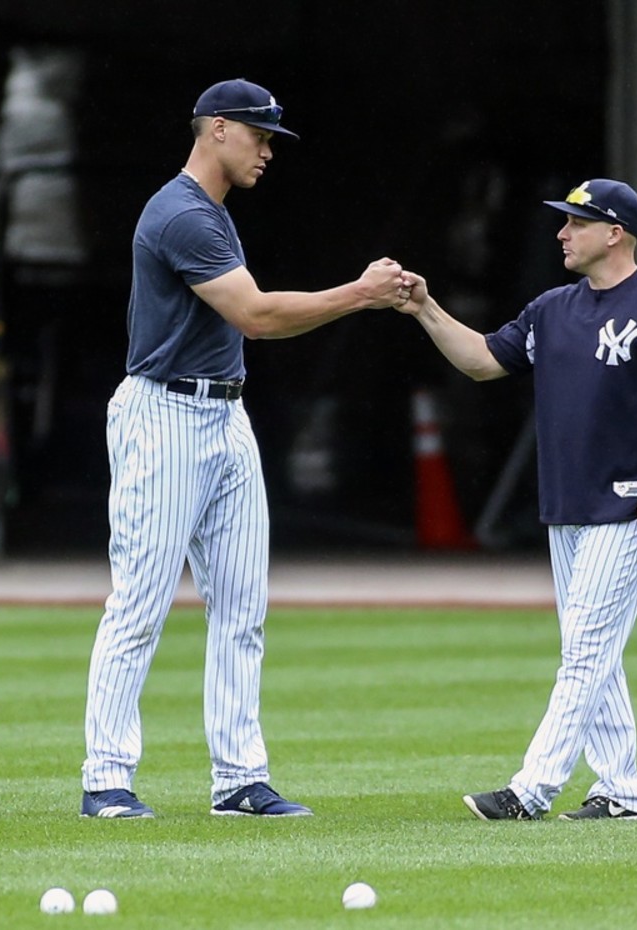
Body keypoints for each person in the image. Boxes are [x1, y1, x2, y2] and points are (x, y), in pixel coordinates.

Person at [80, 78, 410, 819]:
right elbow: (257, 316)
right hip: (164, 411)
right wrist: (359, 294)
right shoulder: (182, 214)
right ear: (218, 130)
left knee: (242, 607)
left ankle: (238, 778)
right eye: (260, 136)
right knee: (139, 605)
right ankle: (105, 778)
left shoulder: (215, 215)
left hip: (226, 414)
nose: (268, 151)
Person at [397, 178, 637, 820]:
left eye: (576, 223)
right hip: (565, 506)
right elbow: (484, 360)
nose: (562, 233)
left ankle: (531, 790)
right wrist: (426, 310)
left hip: (628, 507)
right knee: (591, 649)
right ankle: (621, 793)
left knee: (583, 652)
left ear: (615, 233)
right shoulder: (552, 308)